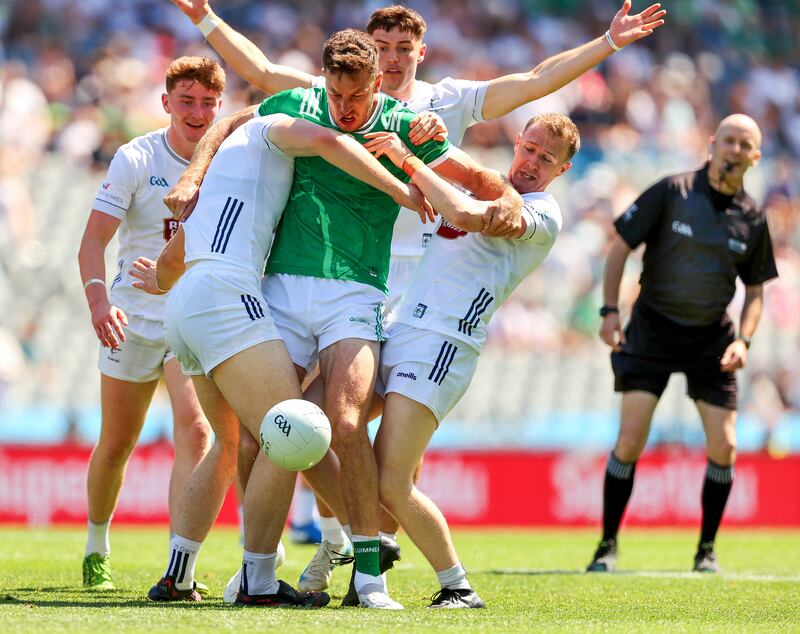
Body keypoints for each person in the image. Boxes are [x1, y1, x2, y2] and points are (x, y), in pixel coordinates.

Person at [167, 0, 666, 597]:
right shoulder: (321, 93)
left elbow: (529, 91)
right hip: (310, 280)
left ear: (416, 54)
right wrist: (205, 20)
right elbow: (261, 81)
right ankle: (284, 560)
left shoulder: (437, 107)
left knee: (364, 441)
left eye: (404, 48)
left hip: (391, 287)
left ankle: (369, 564)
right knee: (274, 430)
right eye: (384, 46)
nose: (393, 57)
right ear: (367, 53)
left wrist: (605, 44)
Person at [168, 28, 524, 609]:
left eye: (354, 98)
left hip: (356, 294)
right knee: (264, 432)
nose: (343, 109)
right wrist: (191, 176)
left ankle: (368, 579)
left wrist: (507, 199)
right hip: (280, 288)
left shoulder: (408, 128)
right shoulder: (300, 104)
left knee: (347, 422)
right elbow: (232, 120)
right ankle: (256, 573)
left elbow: (481, 181)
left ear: (378, 82)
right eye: (334, 96)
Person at [132, 106, 427, 605]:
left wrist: (159, 280)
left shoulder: (226, 167)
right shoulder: (272, 128)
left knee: (231, 446)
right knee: (292, 433)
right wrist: (402, 190)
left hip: (186, 305)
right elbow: (332, 143)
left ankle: (179, 574)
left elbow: (168, 266)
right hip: (229, 296)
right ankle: (279, 575)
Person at [360, 112, 579, 607]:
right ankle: (360, 549)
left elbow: (462, 216)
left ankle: (456, 584)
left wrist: (408, 159)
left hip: (445, 343)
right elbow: (451, 164)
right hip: (402, 327)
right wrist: (425, 132)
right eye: (529, 148)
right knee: (329, 426)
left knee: (391, 479)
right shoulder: (492, 183)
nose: (532, 163)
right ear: (517, 142)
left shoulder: (542, 214)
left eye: (547, 159)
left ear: (561, 171)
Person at [587, 114, 778, 574]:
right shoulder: (672, 191)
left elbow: (755, 292)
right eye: (728, 140)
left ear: (755, 156)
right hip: (651, 330)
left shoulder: (752, 217)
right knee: (630, 440)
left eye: (744, 144)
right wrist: (610, 311)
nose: (734, 149)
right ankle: (607, 546)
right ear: (713, 144)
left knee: (726, 446)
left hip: (712, 339)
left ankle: (706, 551)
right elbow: (619, 248)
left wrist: (745, 340)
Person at [76, 56, 223, 591]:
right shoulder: (136, 157)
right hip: (132, 318)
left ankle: (177, 567)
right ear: (166, 103)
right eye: (187, 101)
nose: (198, 111)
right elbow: (92, 243)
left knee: (198, 429)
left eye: (208, 102)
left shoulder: (227, 160)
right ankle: (97, 543)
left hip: (192, 318)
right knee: (117, 444)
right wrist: (98, 303)